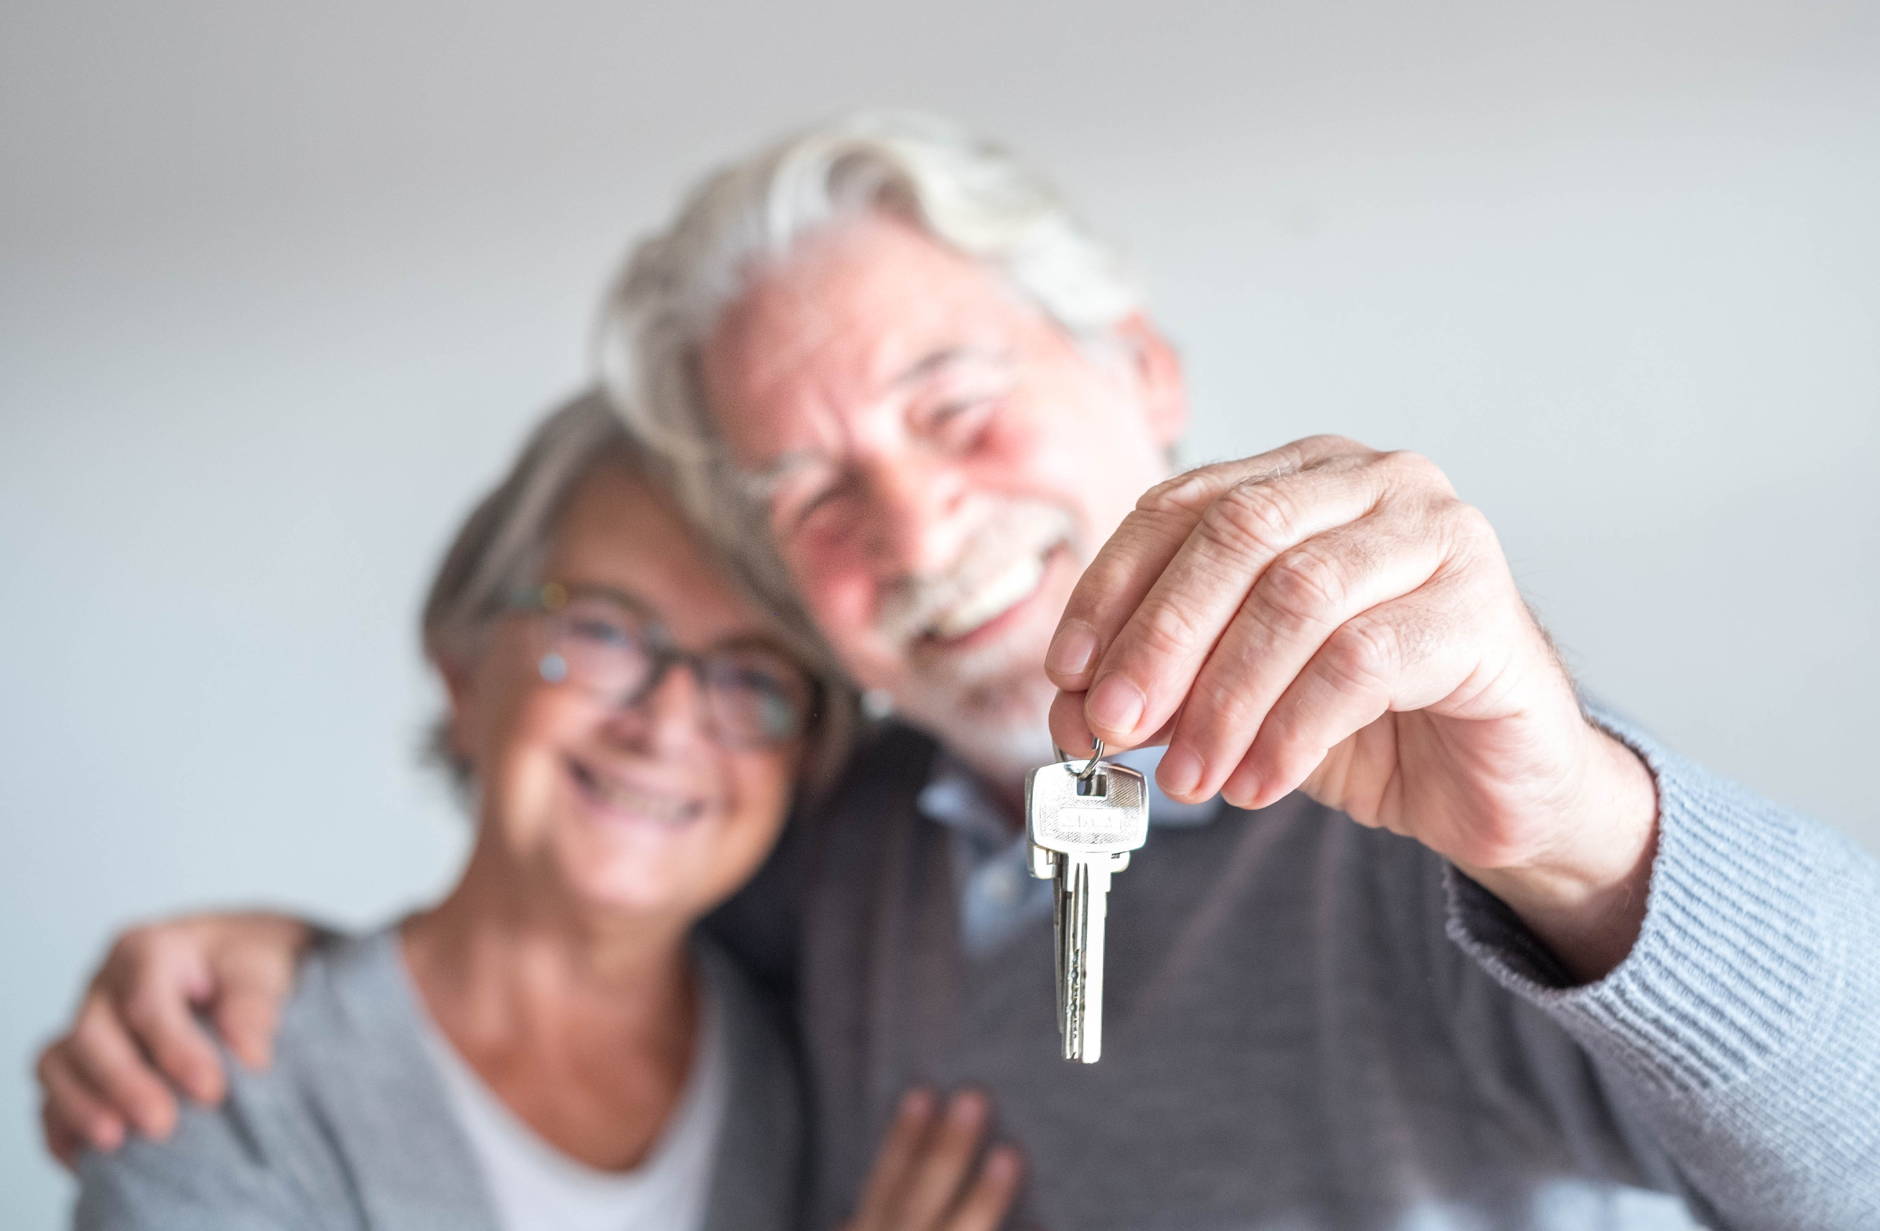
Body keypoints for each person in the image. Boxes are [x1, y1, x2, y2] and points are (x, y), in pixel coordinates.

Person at [42, 115, 1880, 1228]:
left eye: (958, 408)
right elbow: (547, 941)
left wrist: (1575, 827)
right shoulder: (828, 863)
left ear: (1142, 371)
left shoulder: (1455, 797)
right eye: (815, 496)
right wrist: (293, 954)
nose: (917, 537)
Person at [54, 393, 1024, 1231]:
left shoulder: (821, 1053)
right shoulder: (215, 1085)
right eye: (600, 628)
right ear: (463, 664)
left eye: (751, 675)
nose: (665, 721)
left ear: (804, 756)